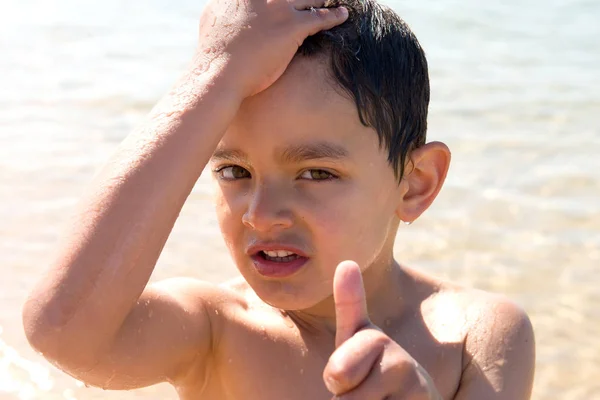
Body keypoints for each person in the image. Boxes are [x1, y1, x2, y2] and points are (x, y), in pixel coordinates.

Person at [22, 0, 536, 398]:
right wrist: (217, 70)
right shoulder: (214, 331)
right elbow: (63, 329)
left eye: (316, 172)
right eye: (233, 170)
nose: (261, 214)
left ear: (415, 182)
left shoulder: (475, 336)